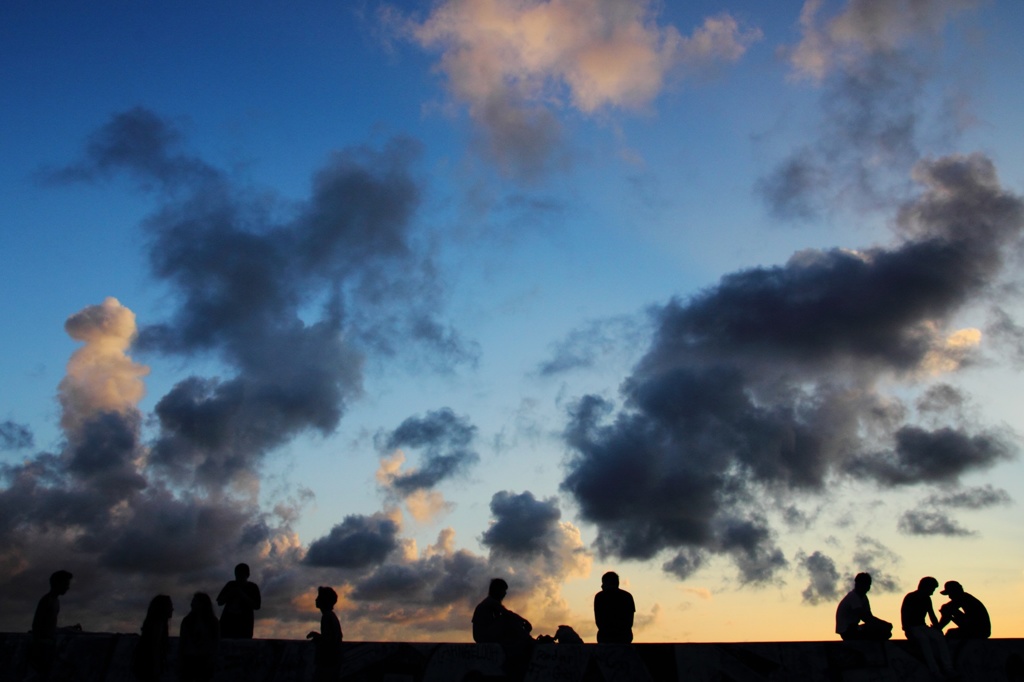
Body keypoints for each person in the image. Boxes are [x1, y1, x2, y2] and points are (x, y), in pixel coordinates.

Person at [901, 576, 955, 680]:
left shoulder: (927, 598)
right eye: (932, 589)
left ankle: (948, 668)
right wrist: (907, 630)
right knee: (924, 640)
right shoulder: (910, 597)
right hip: (913, 628)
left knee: (939, 638)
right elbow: (904, 614)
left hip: (922, 626)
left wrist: (938, 629)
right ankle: (934, 670)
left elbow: (931, 614)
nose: (932, 592)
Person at [30, 569, 78, 678]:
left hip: (48, 644)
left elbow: (48, 624)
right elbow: (36, 625)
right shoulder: (47, 600)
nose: (67, 587)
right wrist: (38, 647)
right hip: (43, 647)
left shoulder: (55, 601)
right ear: (58, 584)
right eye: (66, 584)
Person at [472, 578, 532, 644]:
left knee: (509, 622)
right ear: (498, 590)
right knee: (507, 619)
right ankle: (528, 640)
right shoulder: (490, 602)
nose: (505, 593)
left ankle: (523, 640)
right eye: (504, 590)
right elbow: (507, 614)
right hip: (483, 636)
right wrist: (523, 621)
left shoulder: (490, 602)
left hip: (484, 634)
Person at [835, 572, 892, 641]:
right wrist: (883, 624)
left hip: (854, 628)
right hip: (848, 631)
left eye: (867, 585)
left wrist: (882, 625)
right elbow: (865, 617)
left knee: (885, 632)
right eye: (864, 584)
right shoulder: (853, 597)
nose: (866, 587)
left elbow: (869, 616)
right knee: (881, 631)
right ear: (857, 584)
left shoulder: (863, 598)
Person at [178, 592, 220, 682]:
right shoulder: (187, 621)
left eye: (195, 601)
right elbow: (182, 641)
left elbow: (215, 642)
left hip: (204, 660)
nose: (192, 603)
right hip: (189, 659)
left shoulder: (212, 622)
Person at [132, 595, 173, 682]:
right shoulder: (158, 625)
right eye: (170, 606)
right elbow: (155, 648)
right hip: (148, 667)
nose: (172, 609)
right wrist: (156, 669)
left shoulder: (153, 624)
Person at [306, 586, 343, 682]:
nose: (316, 599)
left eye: (319, 597)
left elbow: (330, 641)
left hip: (328, 663)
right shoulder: (330, 616)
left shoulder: (327, 617)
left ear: (324, 600)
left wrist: (317, 637)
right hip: (332, 662)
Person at [216, 562, 261, 638]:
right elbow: (220, 602)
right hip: (227, 625)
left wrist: (242, 595)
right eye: (237, 575)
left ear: (247, 575)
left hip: (244, 627)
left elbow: (257, 606)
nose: (238, 578)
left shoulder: (252, 587)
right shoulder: (231, 585)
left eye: (241, 575)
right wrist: (231, 593)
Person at [594, 571, 635, 643]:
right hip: (624, 637)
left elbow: (599, 622)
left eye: (603, 583)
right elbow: (630, 622)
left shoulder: (600, 597)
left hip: (605, 637)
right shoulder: (627, 596)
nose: (602, 586)